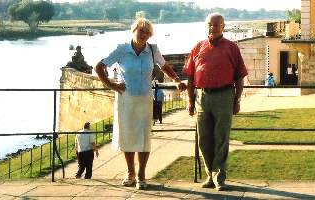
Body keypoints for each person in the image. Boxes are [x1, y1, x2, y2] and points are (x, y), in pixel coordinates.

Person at [94, 18, 186, 190]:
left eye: (147, 32)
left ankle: (142, 174)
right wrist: (112, 85)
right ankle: (130, 173)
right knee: (127, 135)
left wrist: (176, 80)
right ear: (133, 30)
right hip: (125, 98)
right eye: (140, 30)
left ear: (150, 35)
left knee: (144, 138)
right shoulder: (121, 49)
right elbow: (98, 66)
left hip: (145, 98)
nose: (143, 34)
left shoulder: (152, 49)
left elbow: (164, 66)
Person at [183, 13, 248, 191]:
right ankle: (209, 175)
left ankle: (219, 177)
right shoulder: (197, 47)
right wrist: (190, 101)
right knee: (204, 139)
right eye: (210, 24)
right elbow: (189, 77)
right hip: (202, 97)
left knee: (221, 138)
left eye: (216, 24)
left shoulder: (232, 48)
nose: (212, 27)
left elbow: (240, 77)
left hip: (224, 96)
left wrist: (237, 100)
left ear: (223, 26)